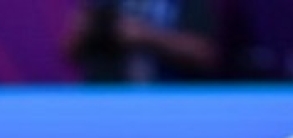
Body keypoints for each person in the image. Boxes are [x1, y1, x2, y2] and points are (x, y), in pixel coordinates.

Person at [62, 0, 227, 83]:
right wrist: (82, 32)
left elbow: (206, 53)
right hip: (110, 101)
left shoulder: (186, 3)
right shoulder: (104, 2)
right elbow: (70, 51)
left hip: (171, 101)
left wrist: (147, 36)